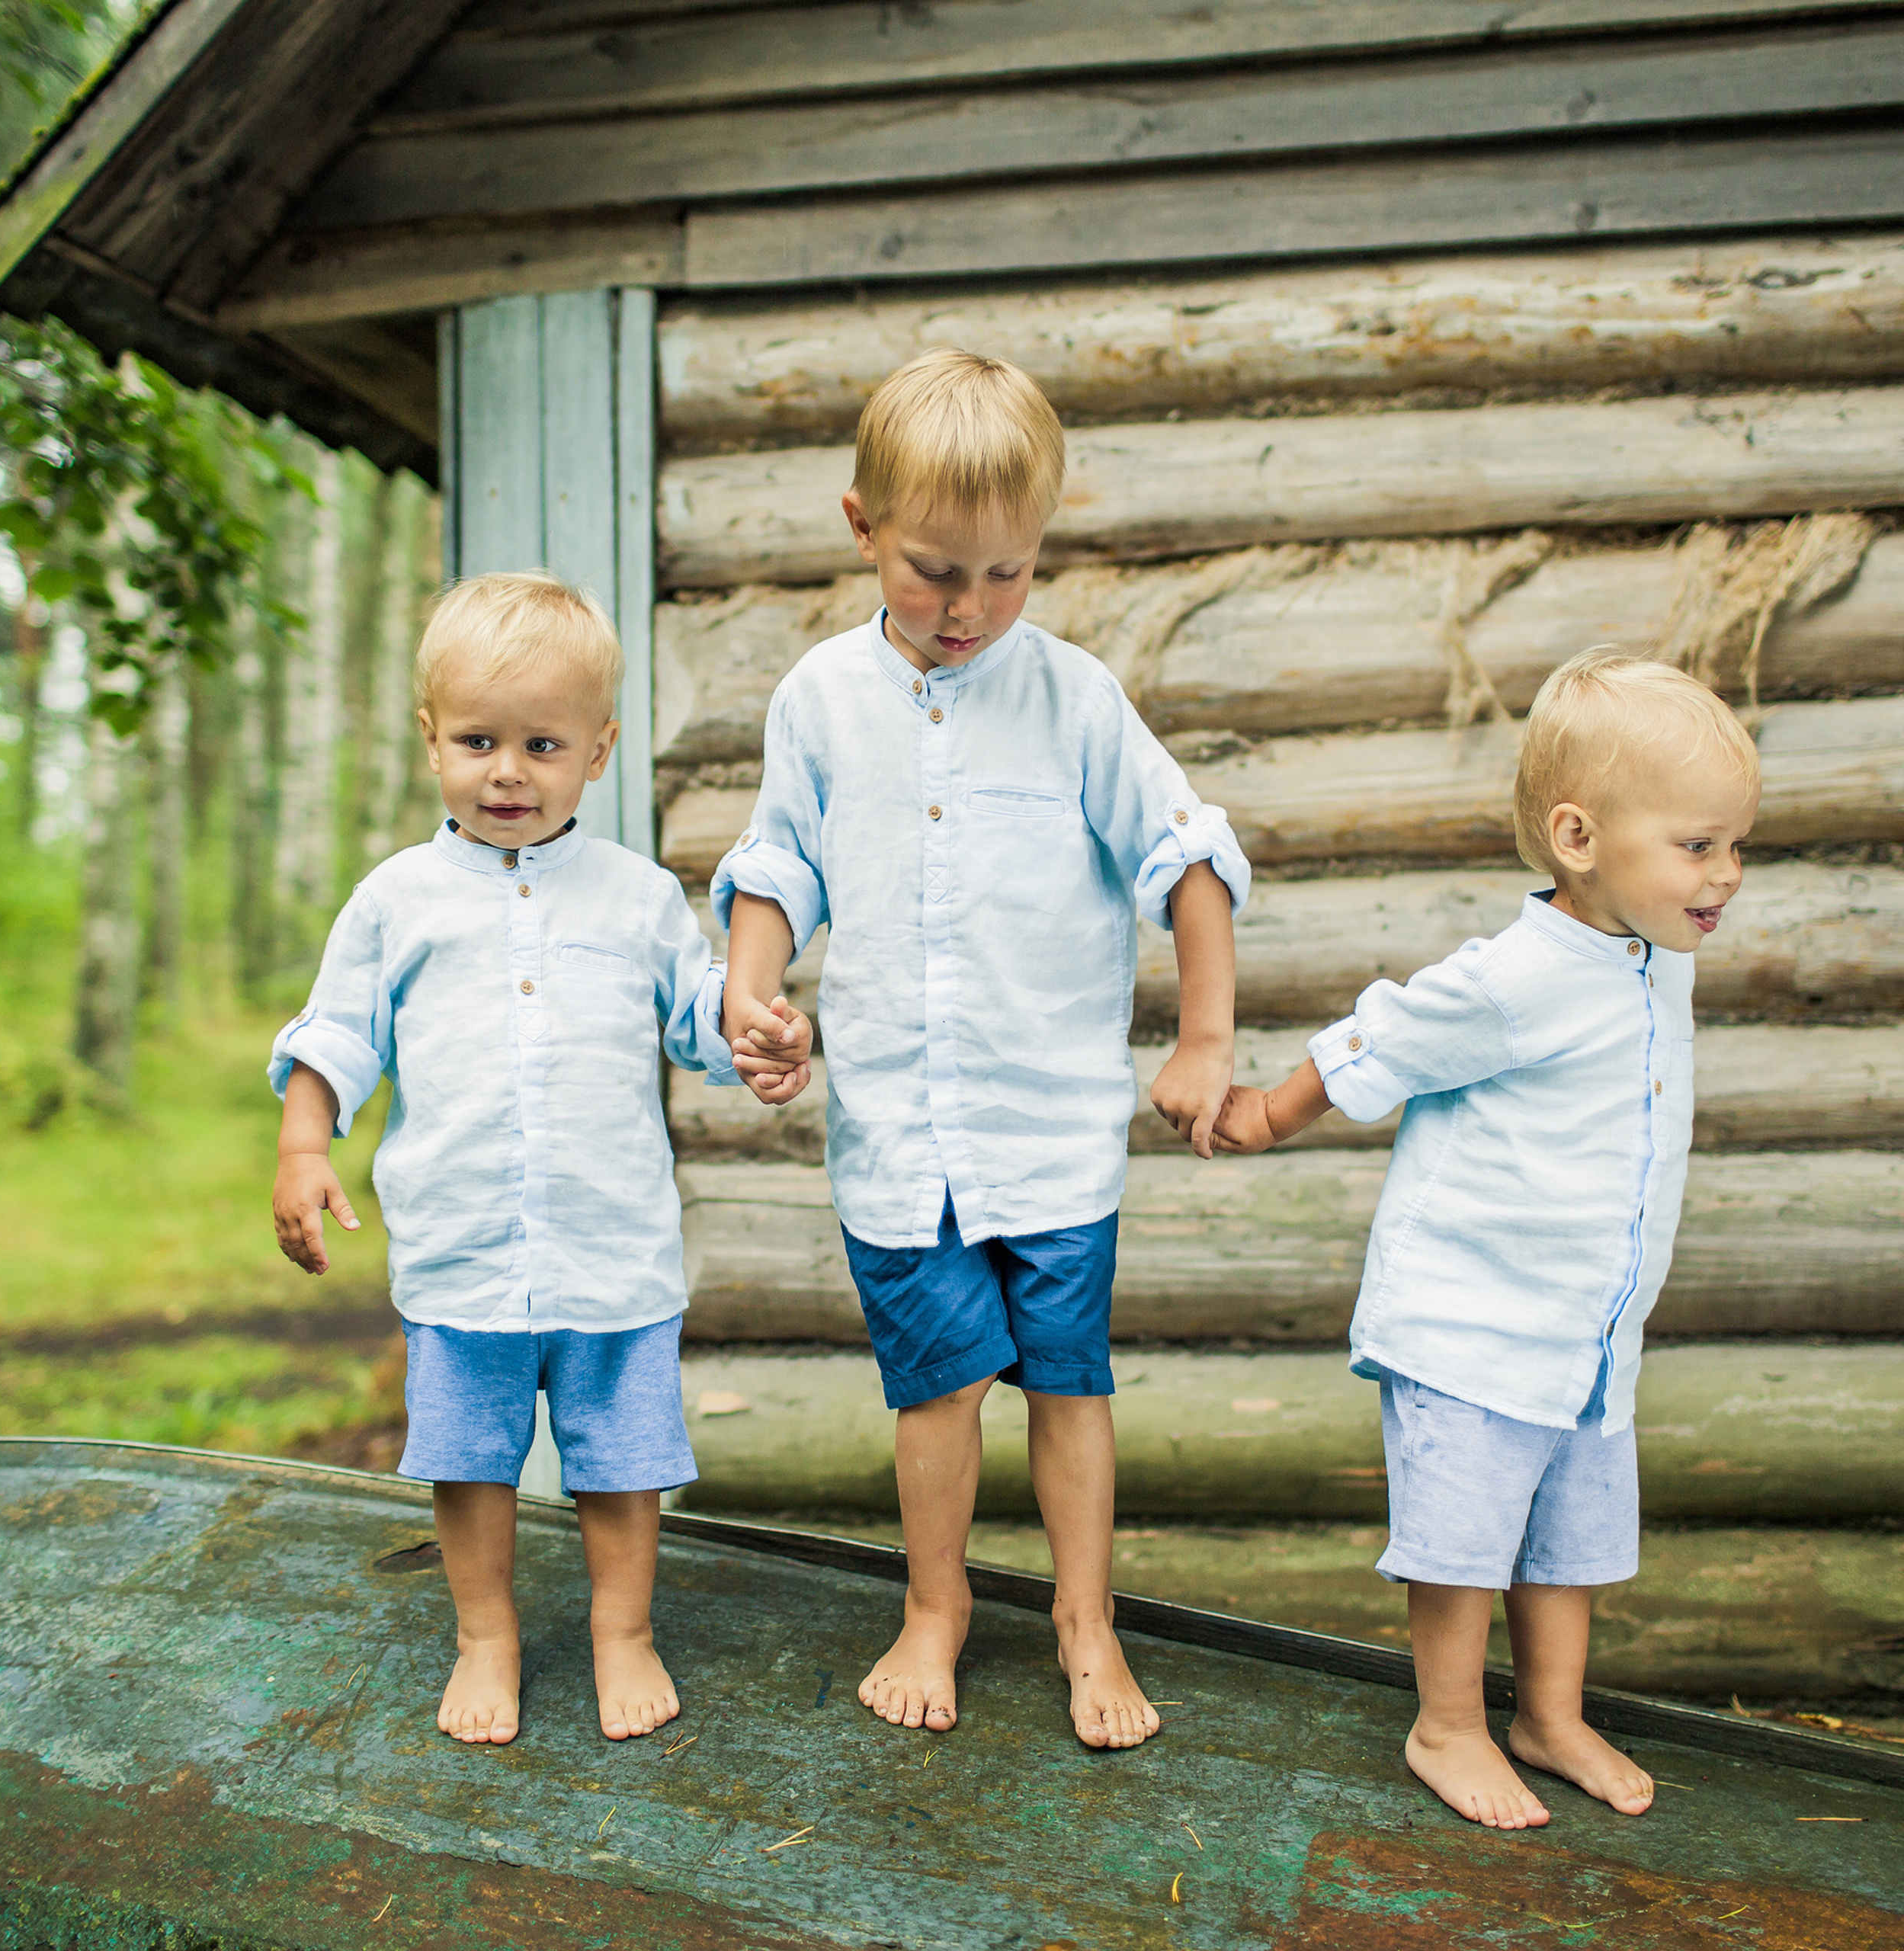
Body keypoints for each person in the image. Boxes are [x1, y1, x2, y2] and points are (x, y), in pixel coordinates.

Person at [713, 348, 1249, 1749]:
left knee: (1068, 1384)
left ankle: (1087, 1621)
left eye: (1007, 574)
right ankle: (936, 1604)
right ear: (863, 529)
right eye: (938, 570)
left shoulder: (1075, 701)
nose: (972, 608)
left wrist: (1204, 1035)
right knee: (939, 1387)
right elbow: (778, 868)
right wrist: (754, 995)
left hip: (1050, 1127)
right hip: (900, 1130)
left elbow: (1185, 856)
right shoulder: (820, 702)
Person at [1216, 650, 1760, 1828]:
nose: (1727, 875)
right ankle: (1447, 1724)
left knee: (1569, 1542)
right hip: (1472, 1325)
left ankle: (1549, 1715)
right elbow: (1388, 1037)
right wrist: (1267, 1111)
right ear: (1579, 837)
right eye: (1699, 844)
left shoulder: (1658, 957)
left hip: (1584, 1331)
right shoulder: (1523, 975)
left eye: (1736, 847)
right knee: (1464, 1546)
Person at [268, 572, 807, 1749]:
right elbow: (337, 1035)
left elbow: (699, 1009)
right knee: (471, 1462)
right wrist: (306, 1142)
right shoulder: (395, 901)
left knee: (621, 1465)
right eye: (478, 741)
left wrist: (753, 1032)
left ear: (599, 750)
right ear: (431, 738)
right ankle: (486, 1636)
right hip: (464, 1255)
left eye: (543, 744)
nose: (508, 770)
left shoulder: (635, 897)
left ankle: (624, 1633)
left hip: (612, 1250)